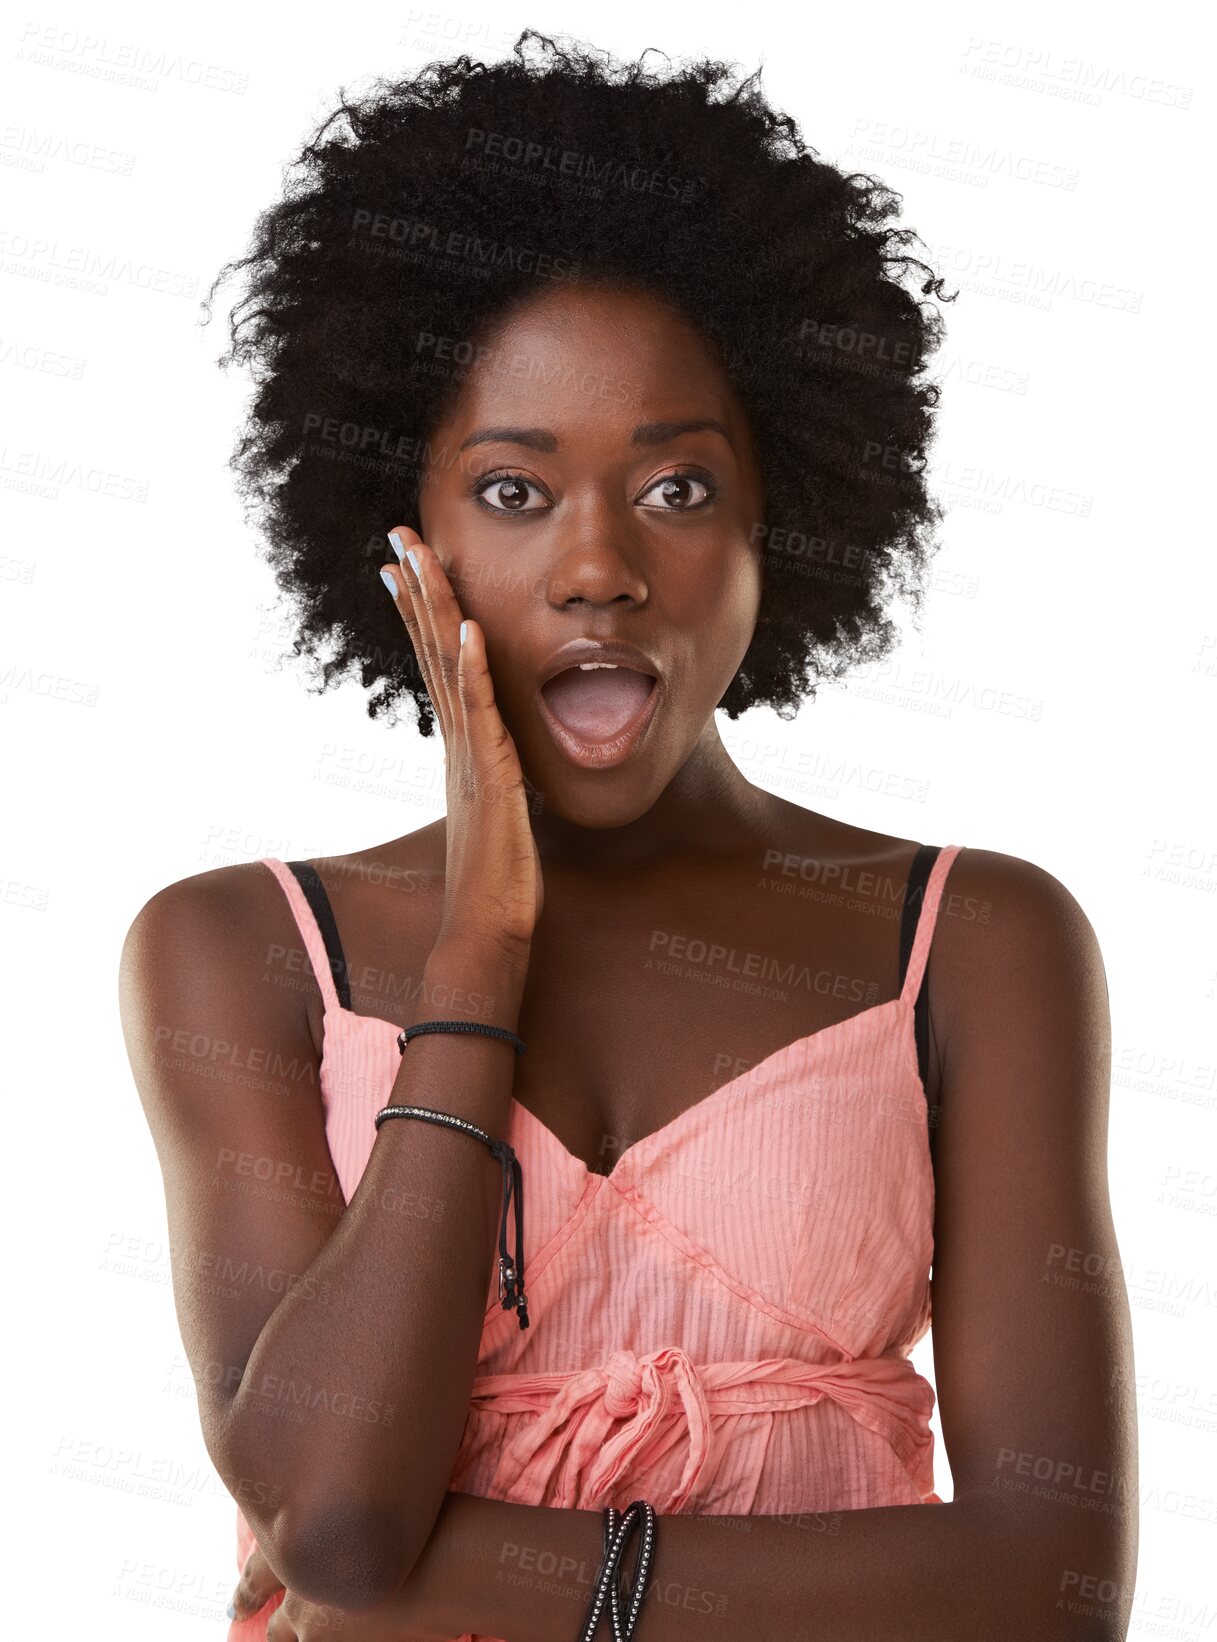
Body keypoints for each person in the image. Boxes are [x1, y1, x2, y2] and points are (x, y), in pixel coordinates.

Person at [119, 30, 1137, 1642]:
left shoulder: (970, 940)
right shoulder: (238, 947)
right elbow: (330, 1510)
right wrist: (479, 952)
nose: (598, 566)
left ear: (776, 519)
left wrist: (517, 1577)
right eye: (514, 493)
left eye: (673, 489)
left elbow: (1048, 1590)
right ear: (403, 529)